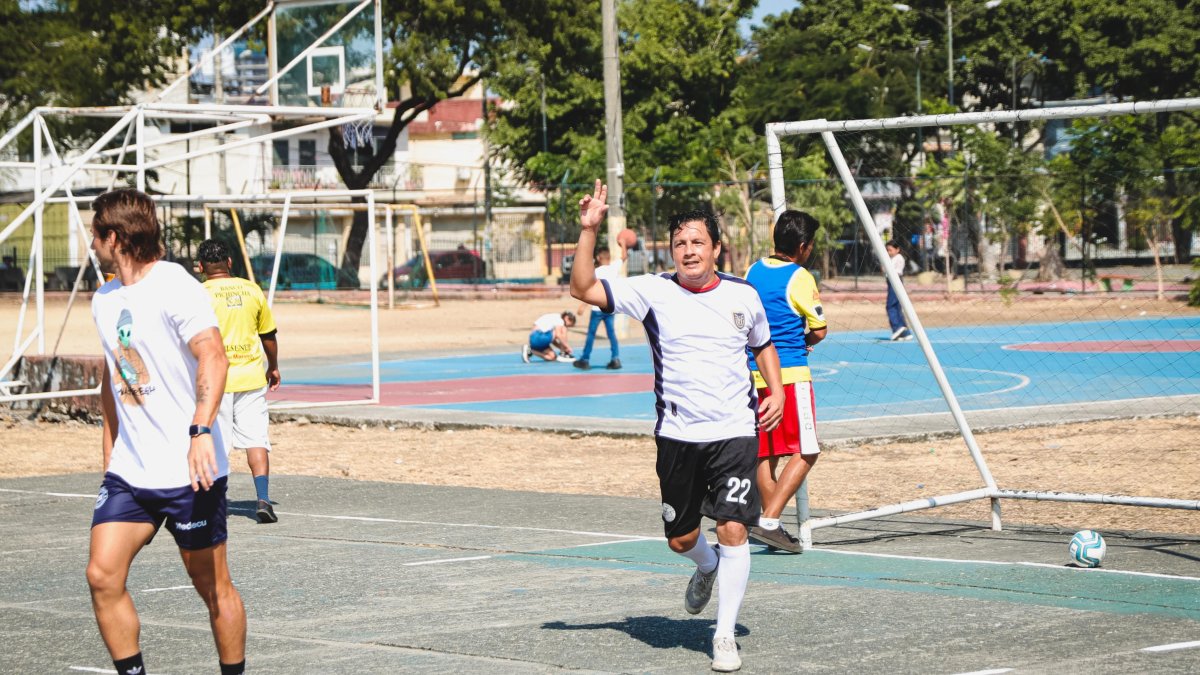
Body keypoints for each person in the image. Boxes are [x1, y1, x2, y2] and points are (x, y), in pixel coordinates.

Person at [570, 180, 784, 673]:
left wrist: (774, 390)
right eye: (680, 244)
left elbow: (763, 345)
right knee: (682, 540)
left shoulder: (743, 295)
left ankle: (724, 635)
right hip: (677, 436)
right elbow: (582, 288)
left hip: (734, 431)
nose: (689, 251)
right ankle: (705, 568)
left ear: (716, 248)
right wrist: (588, 231)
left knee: (734, 528)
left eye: (698, 243)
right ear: (673, 251)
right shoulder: (651, 292)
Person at [85, 189, 246, 675]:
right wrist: (110, 455)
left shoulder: (176, 284)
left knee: (211, 586)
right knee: (102, 575)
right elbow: (113, 380)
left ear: (114, 237)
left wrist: (200, 431)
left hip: (189, 472)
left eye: (95, 233)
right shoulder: (105, 299)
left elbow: (213, 355)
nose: (91, 243)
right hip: (131, 473)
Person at [743, 211, 828, 554]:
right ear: (804, 247)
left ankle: (772, 525)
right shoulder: (801, 277)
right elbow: (819, 329)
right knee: (807, 450)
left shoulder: (752, 270)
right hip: (791, 375)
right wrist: (808, 338)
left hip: (753, 374)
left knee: (765, 453)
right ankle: (769, 519)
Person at [197, 239, 282, 524]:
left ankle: (216, 504)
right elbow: (267, 335)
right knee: (256, 439)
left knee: (217, 444)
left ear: (200, 267)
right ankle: (263, 499)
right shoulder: (251, 289)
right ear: (230, 263)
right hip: (250, 377)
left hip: (214, 381)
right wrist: (274, 367)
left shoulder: (197, 295)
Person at [573, 245, 623, 370]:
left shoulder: (596, 272)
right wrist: (623, 244)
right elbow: (624, 257)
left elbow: (590, 290)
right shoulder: (614, 268)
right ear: (609, 257)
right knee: (611, 334)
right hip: (610, 307)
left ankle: (585, 359)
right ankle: (615, 358)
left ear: (598, 258)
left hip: (597, 308)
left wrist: (583, 305)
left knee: (591, 333)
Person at [885, 239, 913, 341]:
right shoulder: (891, 258)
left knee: (890, 306)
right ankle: (904, 332)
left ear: (897, 249)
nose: (888, 252)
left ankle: (897, 327)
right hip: (891, 281)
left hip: (895, 281)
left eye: (890, 250)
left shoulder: (898, 258)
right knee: (897, 306)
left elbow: (890, 270)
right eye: (887, 250)